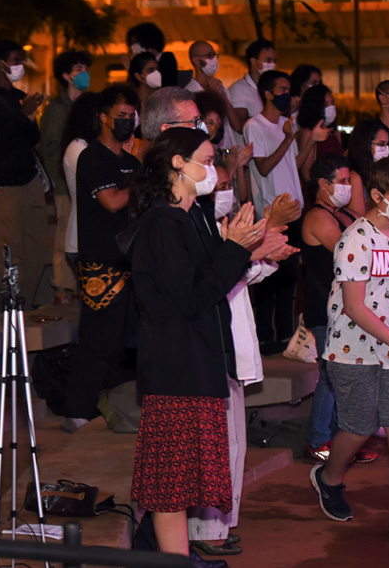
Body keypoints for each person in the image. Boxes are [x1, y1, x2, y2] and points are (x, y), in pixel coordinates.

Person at [123, 127, 267, 568]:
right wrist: (235, 250)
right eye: (206, 158)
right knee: (170, 485)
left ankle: (175, 556)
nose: (215, 168)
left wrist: (243, 250)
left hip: (192, 362)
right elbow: (191, 297)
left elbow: (208, 278)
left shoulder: (184, 218)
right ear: (179, 164)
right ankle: (176, 560)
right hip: (175, 366)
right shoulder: (163, 224)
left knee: (180, 482)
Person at [310, 156, 389, 545]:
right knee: (359, 425)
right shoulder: (356, 238)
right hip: (353, 348)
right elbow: (354, 306)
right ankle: (329, 478)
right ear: (379, 196)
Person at [188, 161, 296, 559]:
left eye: (231, 183)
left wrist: (266, 257)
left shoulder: (220, 227)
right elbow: (219, 277)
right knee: (218, 445)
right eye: (221, 184)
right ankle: (205, 526)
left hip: (232, 342)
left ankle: (221, 522)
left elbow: (242, 274)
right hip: (213, 345)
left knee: (235, 444)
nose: (226, 191)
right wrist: (258, 249)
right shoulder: (197, 229)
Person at [62, 85, 141, 433]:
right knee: (97, 340)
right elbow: (111, 201)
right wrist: (145, 184)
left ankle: (119, 406)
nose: (125, 122)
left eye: (130, 116)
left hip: (131, 260)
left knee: (128, 340)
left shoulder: (132, 162)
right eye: (120, 116)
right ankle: (76, 410)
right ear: (103, 118)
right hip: (101, 263)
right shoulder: (92, 157)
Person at [299, 155, 377, 464]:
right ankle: (318, 440)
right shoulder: (318, 217)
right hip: (325, 308)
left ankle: (341, 439)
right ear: (323, 184)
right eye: (343, 182)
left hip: (344, 308)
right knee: (331, 377)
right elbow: (352, 255)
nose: (348, 187)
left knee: (342, 375)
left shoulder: (341, 213)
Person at [0, 39, 48, 307]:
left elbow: (32, 137)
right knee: (11, 250)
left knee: (36, 246)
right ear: (1, 63)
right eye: (15, 60)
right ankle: (8, 305)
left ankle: (25, 302)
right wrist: (23, 113)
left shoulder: (19, 97)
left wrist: (28, 115)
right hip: (5, 184)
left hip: (29, 180)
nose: (19, 66)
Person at [244, 70, 304, 353]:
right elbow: (263, 167)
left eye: (288, 90)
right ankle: (265, 338)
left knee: (289, 277)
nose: (286, 95)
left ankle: (284, 335)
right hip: (271, 213)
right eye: (281, 89)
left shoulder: (285, 124)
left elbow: (291, 166)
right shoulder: (254, 125)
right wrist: (288, 140)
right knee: (268, 278)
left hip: (293, 210)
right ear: (267, 94)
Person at [41, 50, 91, 304]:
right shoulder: (56, 109)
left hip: (85, 183)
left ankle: (79, 288)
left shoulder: (89, 105)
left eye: (85, 67)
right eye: (78, 69)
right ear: (66, 75)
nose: (84, 74)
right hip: (64, 183)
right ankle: (62, 288)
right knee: (63, 235)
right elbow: (49, 148)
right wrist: (58, 179)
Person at [61, 93, 101, 266]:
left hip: (96, 240)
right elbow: (101, 181)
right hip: (82, 241)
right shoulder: (77, 147)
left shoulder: (92, 147)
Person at [186, 41, 244, 147]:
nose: (213, 59)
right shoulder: (190, 93)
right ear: (196, 61)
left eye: (214, 55)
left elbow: (237, 125)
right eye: (209, 56)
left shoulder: (220, 88)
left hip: (229, 150)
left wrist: (222, 95)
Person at [346, 121, 389, 218]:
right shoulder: (355, 177)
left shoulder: (379, 174)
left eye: (387, 145)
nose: (386, 150)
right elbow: (360, 220)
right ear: (365, 144)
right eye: (381, 144)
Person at [229, 39, 276, 128]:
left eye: (274, 61)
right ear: (254, 62)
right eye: (268, 60)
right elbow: (240, 125)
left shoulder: (272, 89)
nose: (273, 65)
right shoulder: (239, 89)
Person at [295, 84, 335, 183]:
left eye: (332, 103)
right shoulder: (308, 133)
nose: (331, 108)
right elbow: (306, 173)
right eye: (326, 104)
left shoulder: (333, 132)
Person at [126, 22, 177, 87]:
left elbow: (166, 84)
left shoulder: (166, 58)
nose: (133, 47)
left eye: (136, 43)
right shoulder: (140, 63)